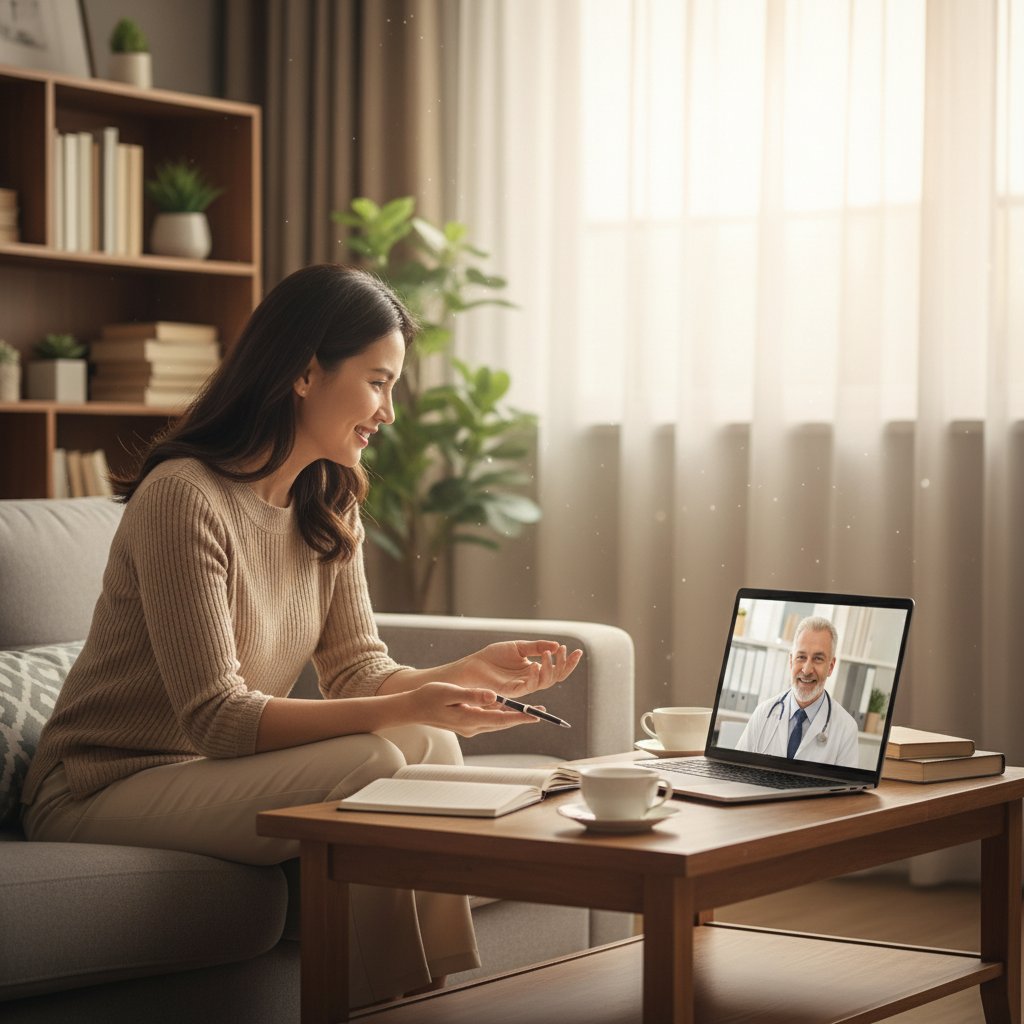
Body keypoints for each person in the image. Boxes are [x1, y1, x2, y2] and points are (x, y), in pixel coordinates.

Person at [20, 264, 582, 1008]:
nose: (388, 412)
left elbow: (357, 670)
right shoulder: (184, 498)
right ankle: (379, 1009)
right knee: (373, 759)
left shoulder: (328, 500)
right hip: (102, 787)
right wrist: (406, 709)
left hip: (204, 777)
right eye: (378, 382)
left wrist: (467, 673)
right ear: (306, 373)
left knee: (430, 747)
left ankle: (434, 999)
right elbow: (217, 719)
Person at [733, 615, 858, 766]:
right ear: (791, 661)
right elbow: (737, 772)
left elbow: (847, 790)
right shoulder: (763, 713)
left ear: (830, 666)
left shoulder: (846, 728)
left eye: (818, 659)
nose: (806, 670)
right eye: (801, 657)